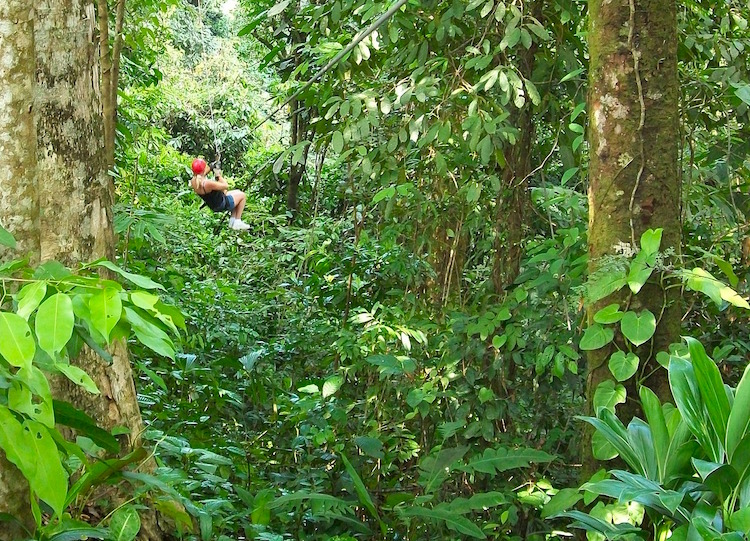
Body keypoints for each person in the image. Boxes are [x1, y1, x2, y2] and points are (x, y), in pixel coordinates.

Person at [190, 158, 250, 231]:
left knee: (237, 192)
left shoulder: (194, 181)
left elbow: (201, 174)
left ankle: (232, 221)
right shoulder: (207, 184)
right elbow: (225, 185)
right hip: (221, 204)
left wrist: (211, 167)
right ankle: (238, 221)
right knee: (242, 196)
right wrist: (218, 174)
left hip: (214, 204)